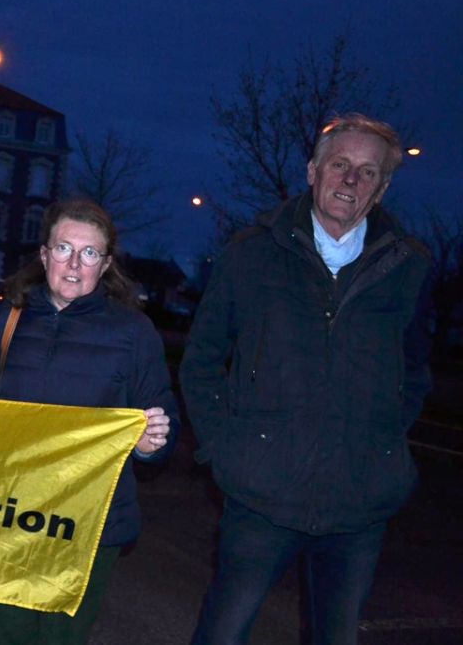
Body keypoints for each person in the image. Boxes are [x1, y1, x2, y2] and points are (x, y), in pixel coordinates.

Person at [181, 113, 434, 644]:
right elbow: (202, 359)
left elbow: (414, 371)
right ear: (313, 171)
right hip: (261, 496)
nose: (350, 179)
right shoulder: (252, 253)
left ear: (382, 189)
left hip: (358, 503)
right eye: (339, 165)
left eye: (368, 172)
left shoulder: (407, 267)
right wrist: (226, 448)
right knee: (222, 634)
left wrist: (382, 443)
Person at [0, 198, 176, 644]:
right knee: (9, 635)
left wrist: (151, 444)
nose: (74, 264)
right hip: (7, 517)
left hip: (90, 524)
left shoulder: (132, 333)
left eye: (89, 253)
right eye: (63, 249)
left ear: (106, 264)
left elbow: (161, 419)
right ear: (44, 255)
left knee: (61, 639)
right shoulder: (5, 320)